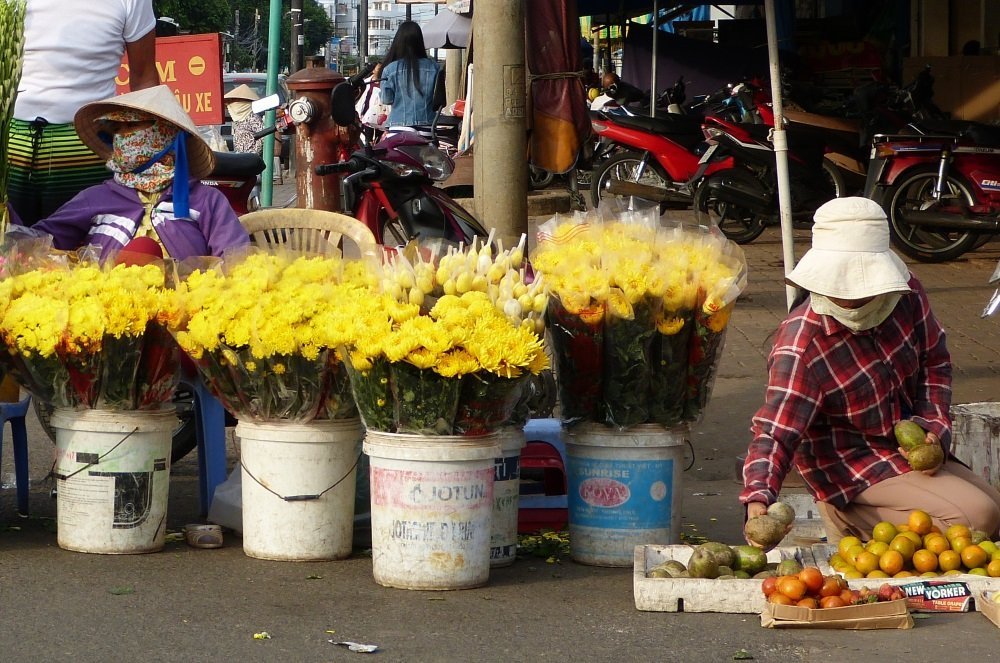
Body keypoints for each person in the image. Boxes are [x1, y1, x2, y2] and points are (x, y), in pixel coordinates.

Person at [740, 197, 1000, 543]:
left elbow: (934, 363)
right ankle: (846, 517)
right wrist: (758, 498)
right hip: (852, 470)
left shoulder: (905, 294)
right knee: (977, 519)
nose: (854, 299)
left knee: (994, 513)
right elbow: (775, 433)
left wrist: (932, 426)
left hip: (905, 452)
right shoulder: (803, 345)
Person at [22, 85, 249, 262]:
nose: (121, 136)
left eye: (130, 127)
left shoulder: (206, 200)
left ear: (165, 133)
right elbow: (40, 241)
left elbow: (235, 258)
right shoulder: (95, 197)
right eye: (116, 130)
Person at [8, 0, 159, 226]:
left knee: (84, 254)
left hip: (89, 148)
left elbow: (144, 79)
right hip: (10, 145)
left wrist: (151, 157)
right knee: (8, 251)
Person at [379, 21, 441, 126]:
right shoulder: (434, 67)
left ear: (398, 42)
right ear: (420, 41)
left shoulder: (390, 69)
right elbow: (440, 101)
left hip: (398, 127)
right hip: (427, 126)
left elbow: (387, 100)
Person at [224, 84, 265, 156]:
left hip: (251, 157)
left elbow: (262, 139)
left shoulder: (253, 119)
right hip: (240, 155)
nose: (230, 107)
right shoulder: (238, 120)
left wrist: (253, 154)